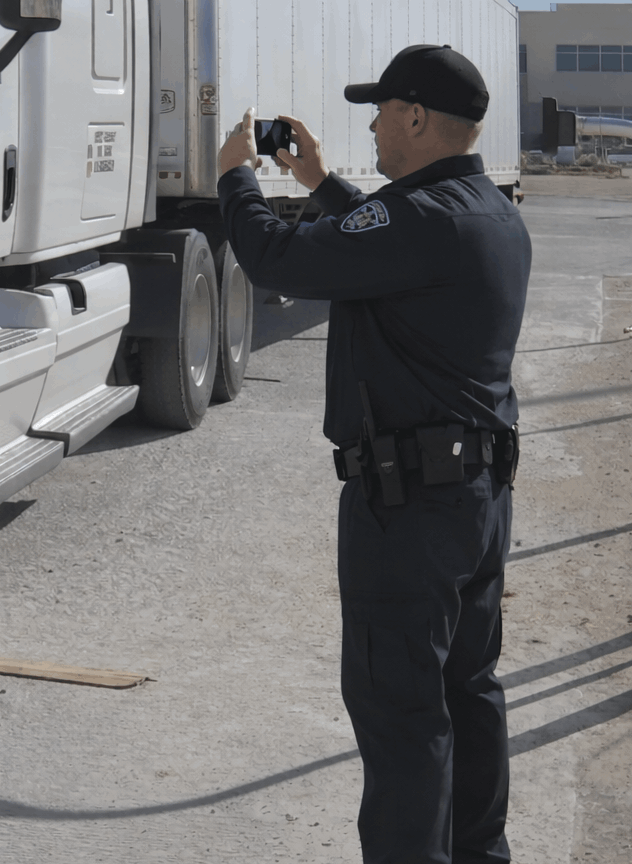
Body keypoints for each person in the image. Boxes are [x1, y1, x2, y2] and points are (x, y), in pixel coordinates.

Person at [215, 45, 530, 864]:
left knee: (402, 716)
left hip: (412, 511)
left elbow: (276, 257)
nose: (373, 124)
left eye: (383, 109)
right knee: (468, 692)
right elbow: (387, 248)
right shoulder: (487, 210)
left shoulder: (419, 217)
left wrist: (236, 179)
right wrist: (322, 185)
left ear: (418, 118)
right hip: (477, 501)